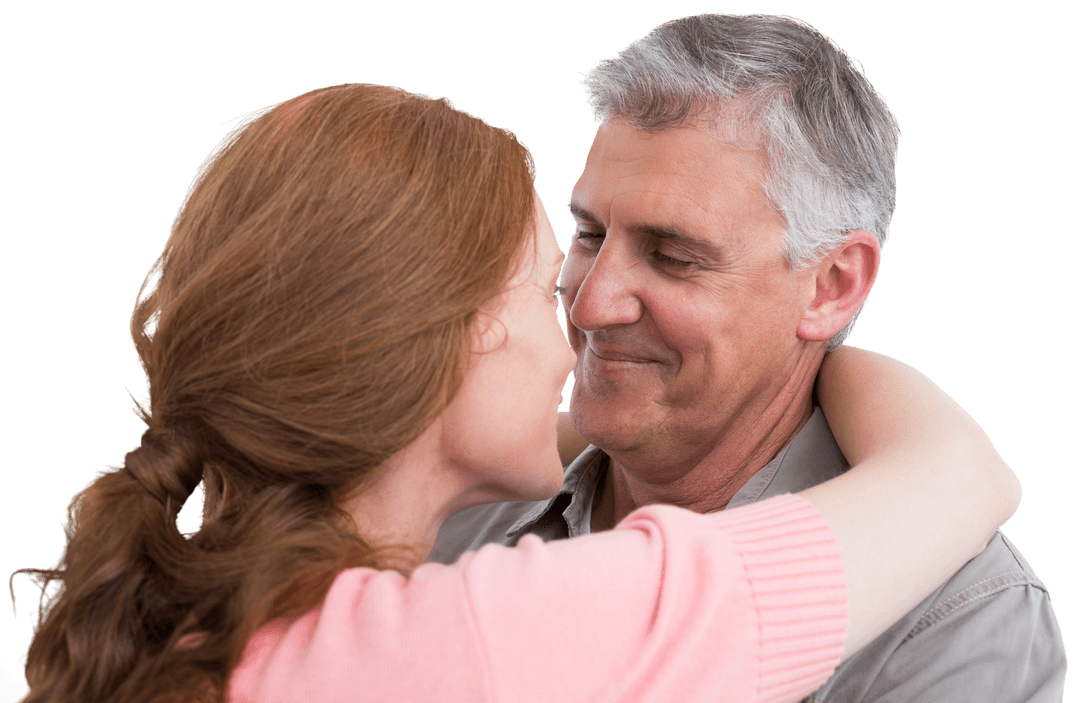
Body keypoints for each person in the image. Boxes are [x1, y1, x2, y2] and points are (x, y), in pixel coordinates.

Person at [7, 83, 1019, 703]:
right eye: (555, 276)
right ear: (438, 348)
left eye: (672, 254)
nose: (585, 315)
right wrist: (837, 360)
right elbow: (957, 476)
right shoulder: (476, 638)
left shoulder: (185, 628)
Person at [432, 13, 1068, 702]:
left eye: (673, 256)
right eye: (588, 234)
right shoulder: (448, 510)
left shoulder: (956, 626)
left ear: (832, 286)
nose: (588, 306)